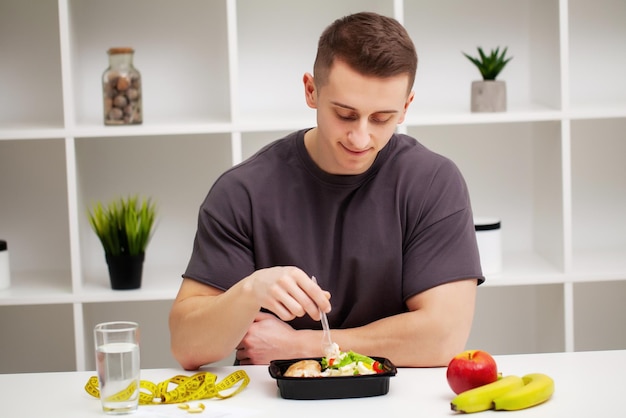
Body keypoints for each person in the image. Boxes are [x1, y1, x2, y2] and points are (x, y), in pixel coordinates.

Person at [169, 11, 483, 371]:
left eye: (382, 119)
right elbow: (186, 346)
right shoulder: (243, 191)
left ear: (406, 107)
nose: (361, 138)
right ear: (311, 91)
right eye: (345, 114)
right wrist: (250, 290)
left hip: (398, 398)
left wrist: (301, 345)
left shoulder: (433, 182)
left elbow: (443, 336)